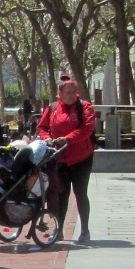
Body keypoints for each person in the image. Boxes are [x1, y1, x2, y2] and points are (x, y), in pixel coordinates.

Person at [37, 78, 95, 242]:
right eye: (67, 93)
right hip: (60, 158)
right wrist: (47, 138)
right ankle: (58, 230)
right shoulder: (52, 108)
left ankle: (84, 230)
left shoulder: (84, 107)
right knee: (61, 194)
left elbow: (87, 129)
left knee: (80, 193)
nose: (71, 96)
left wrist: (68, 139)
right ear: (59, 94)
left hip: (81, 158)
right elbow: (42, 127)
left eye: (73, 92)